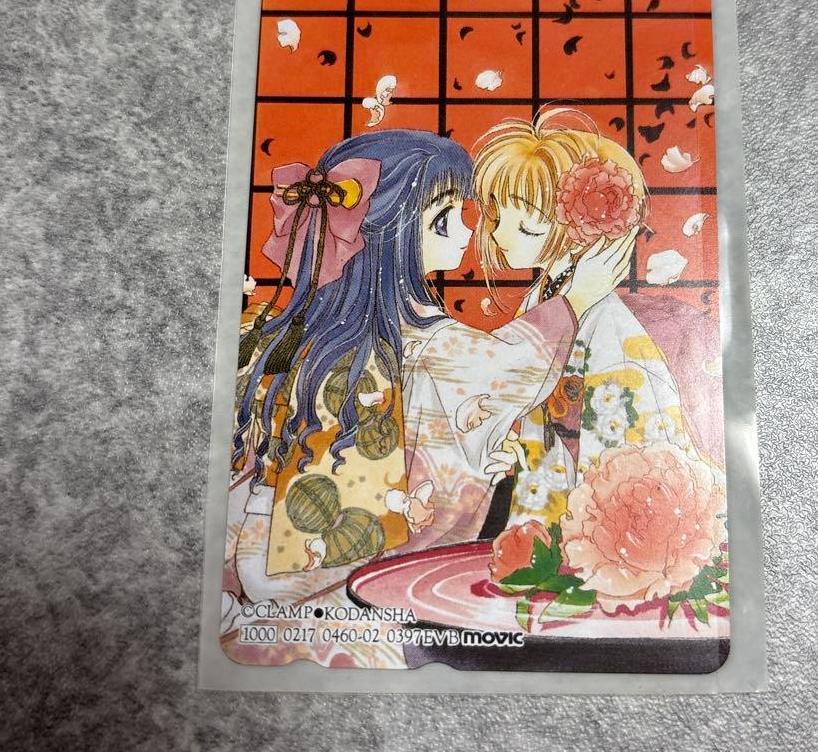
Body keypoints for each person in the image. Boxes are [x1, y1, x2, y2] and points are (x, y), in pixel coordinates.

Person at [222, 128, 635, 666]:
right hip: (338, 587)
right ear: (390, 234)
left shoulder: (282, 332)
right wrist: (575, 300)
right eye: (443, 218)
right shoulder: (426, 339)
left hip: (258, 563)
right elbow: (503, 369)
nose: (468, 227)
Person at [472, 110, 725, 534]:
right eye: (496, 218)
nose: (498, 236)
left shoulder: (606, 320)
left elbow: (618, 437)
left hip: (615, 486)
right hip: (552, 476)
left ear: (580, 234)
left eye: (526, 228)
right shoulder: (543, 296)